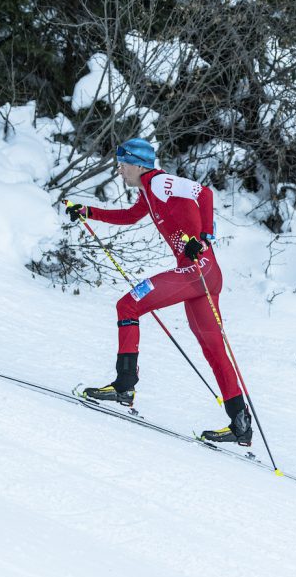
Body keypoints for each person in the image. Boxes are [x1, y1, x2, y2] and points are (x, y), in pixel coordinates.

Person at [66, 138, 252, 446]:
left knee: (128, 305)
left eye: (122, 164)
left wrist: (203, 237)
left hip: (198, 270)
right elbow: (128, 217)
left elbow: (203, 193)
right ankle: (240, 423)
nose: (119, 170)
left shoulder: (160, 183)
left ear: (138, 164)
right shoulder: (147, 194)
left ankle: (124, 385)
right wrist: (88, 211)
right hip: (202, 274)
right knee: (213, 350)